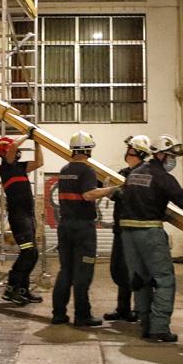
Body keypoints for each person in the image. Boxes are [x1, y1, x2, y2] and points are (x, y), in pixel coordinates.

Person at [118, 135, 183, 343]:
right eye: (171, 156)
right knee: (164, 280)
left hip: (127, 234)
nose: (172, 161)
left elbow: (131, 199)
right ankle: (159, 328)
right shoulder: (161, 176)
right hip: (149, 233)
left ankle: (146, 325)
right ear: (162, 154)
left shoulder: (134, 173)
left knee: (140, 280)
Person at [52, 131, 121, 327]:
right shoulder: (87, 171)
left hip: (65, 226)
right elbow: (89, 195)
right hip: (83, 228)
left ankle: (58, 314)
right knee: (83, 270)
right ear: (88, 149)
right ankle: (82, 315)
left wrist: (102, 187)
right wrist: (112, 189)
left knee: (66, 270)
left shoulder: (65, 170)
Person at [104, 135, 151, 323]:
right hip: (121, 229)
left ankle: (141, 310)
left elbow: (129, 195)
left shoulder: (143, 173)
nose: (126, 152)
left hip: (135, 230)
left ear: (136, 152)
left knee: (137, 271)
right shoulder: (124, 173)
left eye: (129, 149)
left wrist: (113, 191)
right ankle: (123, 309)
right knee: (120, 270)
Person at [0, 128, 44, 304]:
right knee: (28, 252)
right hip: (19, 218)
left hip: (28, 216)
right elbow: (12, 147)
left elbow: (39, 162)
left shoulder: (20, 167)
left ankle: (23, 290)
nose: (17, 151)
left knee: (33, 254)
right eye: (14, 149)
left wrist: (38, 142)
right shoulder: (6, 167)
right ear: (5, 152)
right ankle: (11, 289)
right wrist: (28, 134)